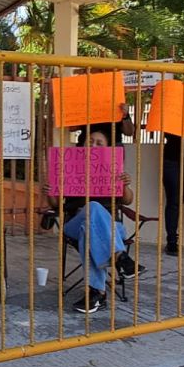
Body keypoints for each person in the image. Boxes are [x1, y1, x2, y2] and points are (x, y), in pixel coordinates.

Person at [43, 127, 138, 314]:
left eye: (99, 143)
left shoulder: (112, 168)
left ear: (107, 148)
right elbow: (56, 206)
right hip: (74, 222)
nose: (93, 145)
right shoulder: (69, 166)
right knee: (93, 207)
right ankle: (120, 257)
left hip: (110, 226)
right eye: (90, 142)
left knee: (88, 231)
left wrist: (125, 185)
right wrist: (50, 191)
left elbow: (127, 200)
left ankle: (97, 293)